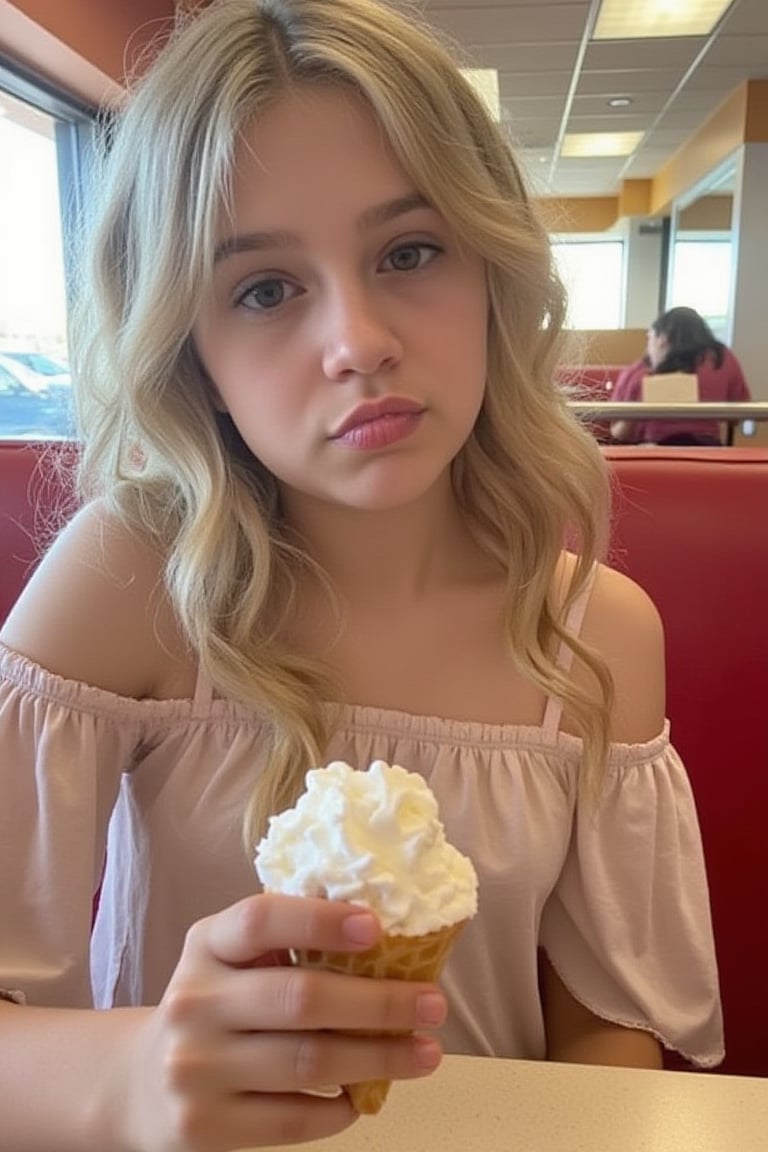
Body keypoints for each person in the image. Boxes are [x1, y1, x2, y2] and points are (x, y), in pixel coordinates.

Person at [0, 1, 723, 1148]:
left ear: (492, 267)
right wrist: (127, 1074)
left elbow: (607, 1036)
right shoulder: (133, 578)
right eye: (264, 289)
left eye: (410, 251)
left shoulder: (595, 635)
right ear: (192, 349)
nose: (358, 340)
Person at [610, 305, 751, 445]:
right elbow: (737, 416)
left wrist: (640, 407)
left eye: (650, 338)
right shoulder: (721, 357)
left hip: (655, 450)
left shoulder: (638, 374)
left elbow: (618, 433)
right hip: (708, 449)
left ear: (662, 339)